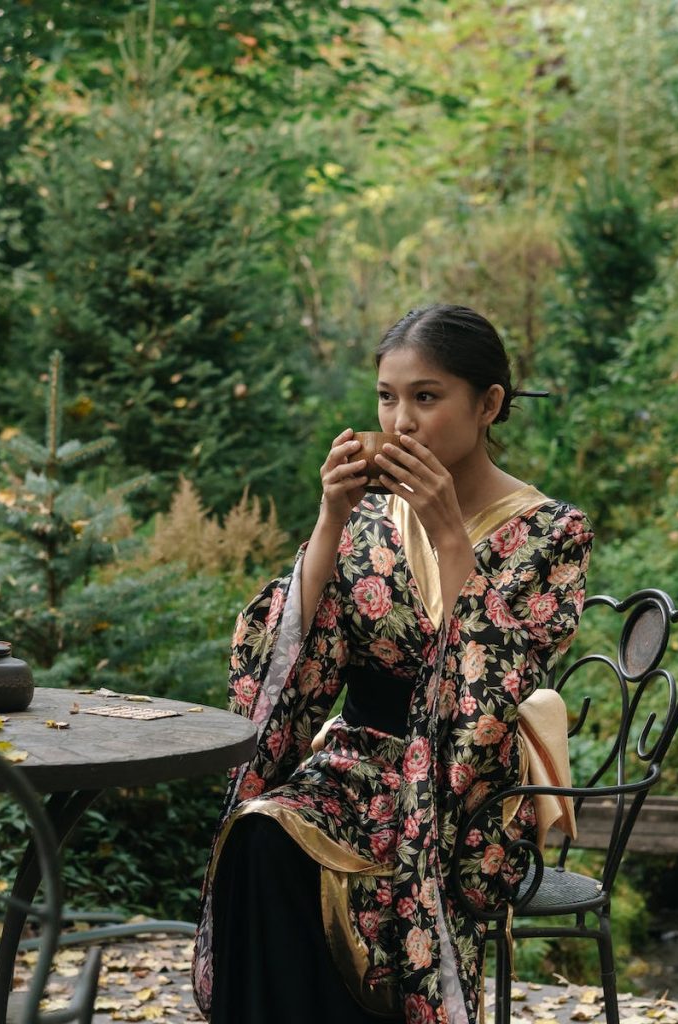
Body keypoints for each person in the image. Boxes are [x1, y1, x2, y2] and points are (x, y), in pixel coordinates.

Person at [192, 304, 594, 1024]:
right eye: (387, 397)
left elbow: (496, 688)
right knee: (259, 832)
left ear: (489, 405)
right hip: (352, 766)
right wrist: (328, 520)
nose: (401, 421)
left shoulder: (552, 532)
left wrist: (446, 529)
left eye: (426, 397)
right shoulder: (371, 521)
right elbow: (282, 661)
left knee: (347, 866)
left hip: (467, 788)